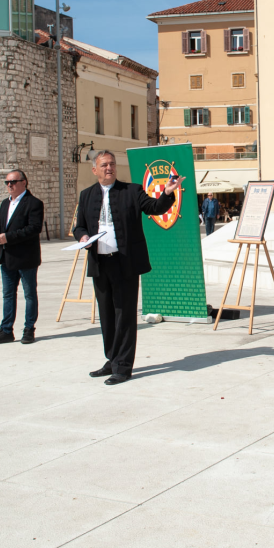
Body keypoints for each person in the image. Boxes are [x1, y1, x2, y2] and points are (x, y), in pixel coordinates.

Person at [74, 150, 179, 385]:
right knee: (107, 315)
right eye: (103, 165)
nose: (109, 168)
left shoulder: (132, 191)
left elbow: (154, 207)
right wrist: (82, 238)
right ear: (94, 170)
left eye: (111, 164)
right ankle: (112, 359)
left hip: (125, 262)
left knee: (125, 315)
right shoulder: (86, 195)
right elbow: (79, 226)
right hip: (100, 263)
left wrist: (167, 193)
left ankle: (123, 366)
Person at [0, 170, 45, 345]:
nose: (9, 185)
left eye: (13, 182)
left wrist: (8, 237)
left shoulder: (34, 203)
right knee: (8, 295)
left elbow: (34, 228)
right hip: (7, 256)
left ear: (24, 182)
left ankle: (29, 329)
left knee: (29, 295)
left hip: (26, 257)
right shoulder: (5, 204)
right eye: (7, 183)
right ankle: (6, 330)